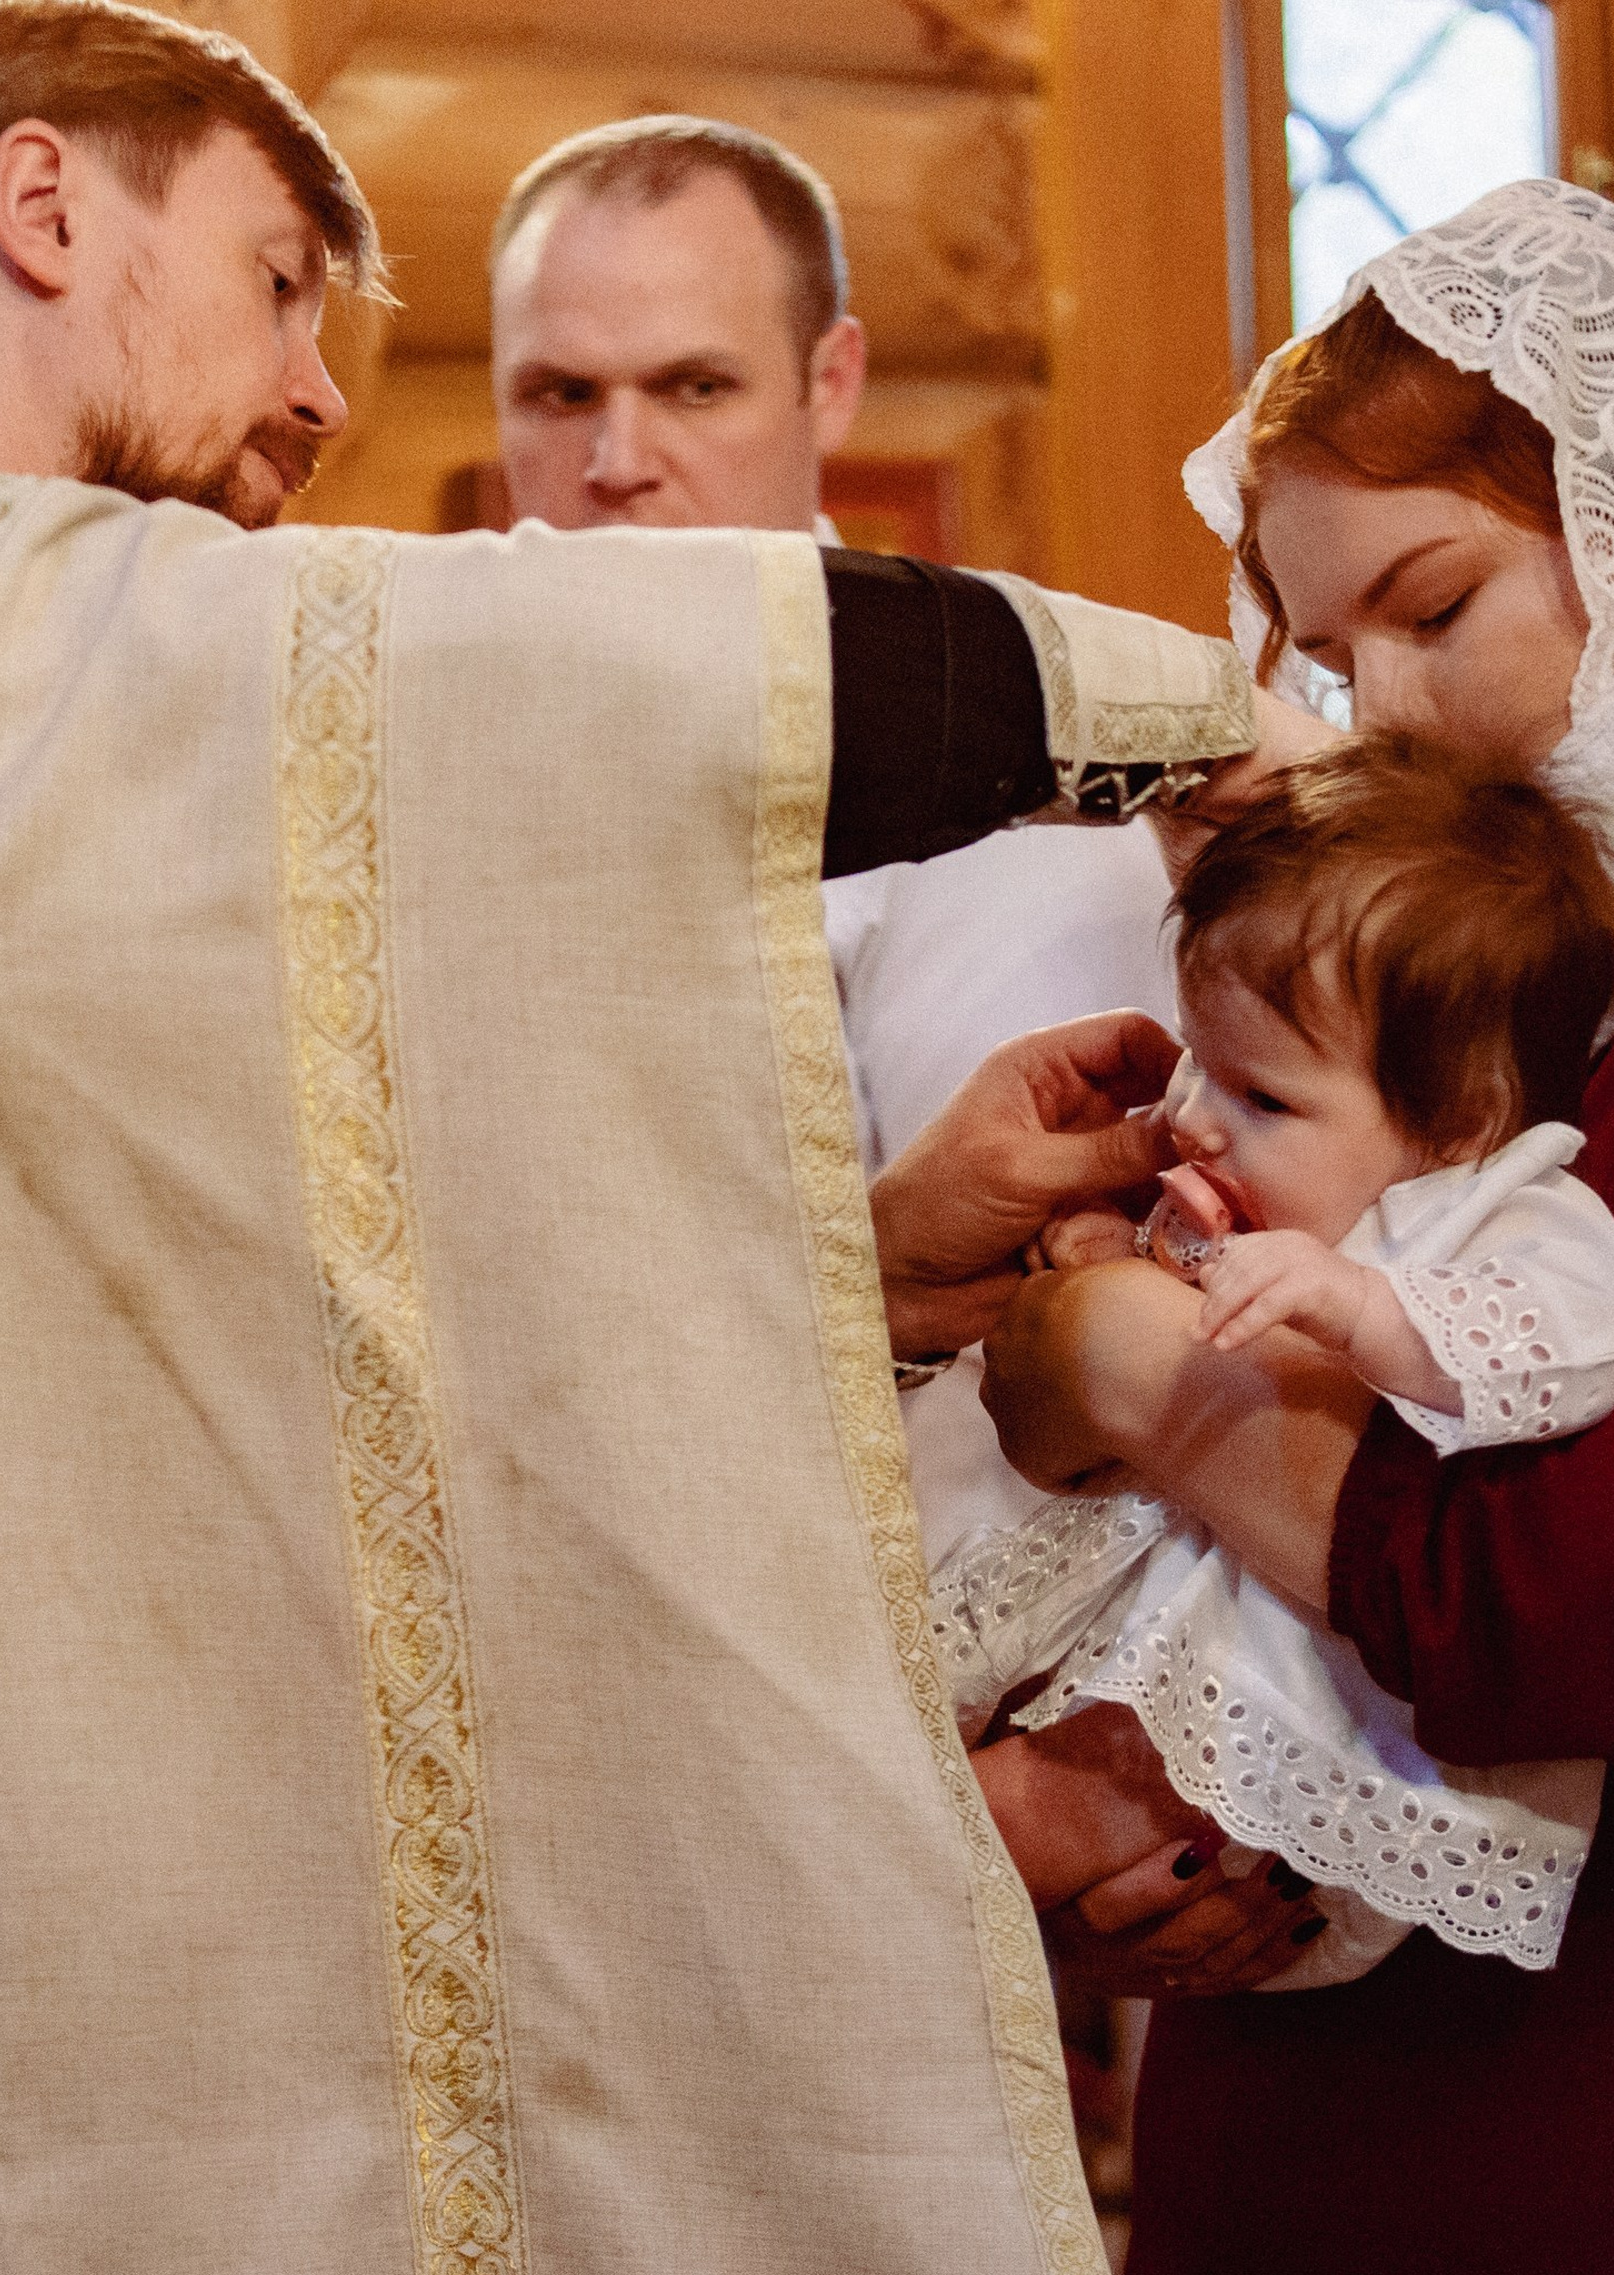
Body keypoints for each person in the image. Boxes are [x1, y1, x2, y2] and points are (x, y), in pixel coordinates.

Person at [0, 0, 1280, 2275]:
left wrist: (851, 1260)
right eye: (267, 279)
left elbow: (236, 1321)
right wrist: (1227, 724)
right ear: (44, 208)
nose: (326, 394)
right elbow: (598, 695)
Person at [948, 180, 1614, 2275]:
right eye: (1336, 652)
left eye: (1434, 603)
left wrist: (1155, 1390)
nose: (1394, 707)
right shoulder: (1443, 949)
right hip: (1295, 2120)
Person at [488, 116, 1187, 1569]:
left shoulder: (1002, 775)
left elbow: (1040, 1347)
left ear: (833, 381)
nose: (618, 460)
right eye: (559, 392)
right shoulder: (429, 742)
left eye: (694, 385)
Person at [934, 735, 1614, 1991]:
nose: (1198, 1114)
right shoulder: (1282, 1195)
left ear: (1461, 1121)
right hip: (1173, 1661)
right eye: (1200, 1059)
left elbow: (1577, 1347)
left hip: (1311, 1743)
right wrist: (1110, 1246)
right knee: (914, 1734)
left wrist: (1369, 1310)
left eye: (1260, 1096)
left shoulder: (1509, 1213)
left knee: (958, 1826)